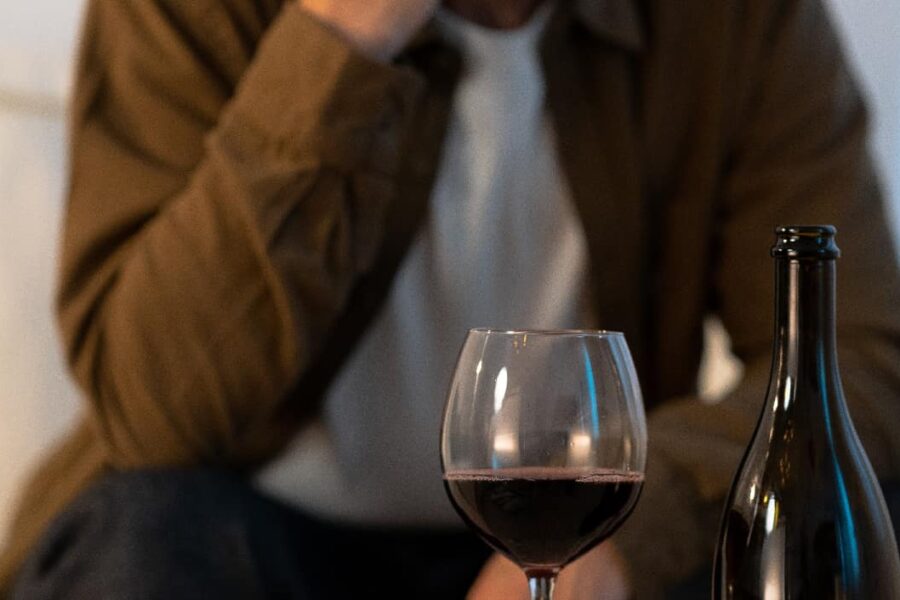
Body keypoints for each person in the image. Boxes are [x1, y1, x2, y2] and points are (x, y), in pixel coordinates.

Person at [2, 0, 900, 597]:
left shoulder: (740, 22)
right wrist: (341, 39)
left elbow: (858, 356)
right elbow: (151, 409)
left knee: (848, 527)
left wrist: (640, 533)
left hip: (585, 540)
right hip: (254, 544)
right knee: (139, 542)